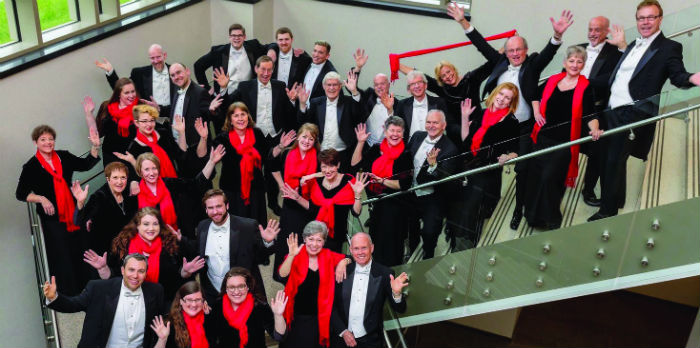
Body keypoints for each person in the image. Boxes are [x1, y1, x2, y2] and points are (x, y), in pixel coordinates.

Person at [589, 0, 700, 221]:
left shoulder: (669, 47)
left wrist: (691, 78)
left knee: (613, 160)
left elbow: (677, 75)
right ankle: (616, 199)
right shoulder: (632, 45)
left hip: (633, 111)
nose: (646, 22)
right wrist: (622, 47)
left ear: (660, 19)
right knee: (609, 158)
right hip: (612, 109)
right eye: (641, 18)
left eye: (651, 17)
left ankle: (607, 212)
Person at [467, 7, 574, 230]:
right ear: (505, 52)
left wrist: (557, 36)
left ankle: (518, 210)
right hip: (496, 124)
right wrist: (462, 21)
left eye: (519, 49)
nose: (515, 53)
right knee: (487, 163)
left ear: (525, 50)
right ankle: (486, 204)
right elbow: (481, 45)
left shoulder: (532, 66)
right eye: (511, 50)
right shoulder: (498, 63)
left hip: (523, 127)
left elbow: (548, 53)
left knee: (523, 169)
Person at [16, 124, 101, 295]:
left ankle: (90, 289)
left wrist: (95, 146)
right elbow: (20, 194)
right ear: (36, 142)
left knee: (82, 248)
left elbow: (86, 164)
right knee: (62, 255)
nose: (48, 142)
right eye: (43, 139)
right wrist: (41, 198)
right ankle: (69, 294)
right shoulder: (31, 166)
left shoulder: (64, 156)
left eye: (51, 139)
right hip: (52, 219)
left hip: (74, 212)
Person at [526, 46, 602, 230]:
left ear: (583, 65)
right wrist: (536, 112)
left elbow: (590, 114)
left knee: (549, 178)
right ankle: (533, 217)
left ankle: (551, 218)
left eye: (579, 61)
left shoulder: (586, 86)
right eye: (571, 60)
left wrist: (595, 129)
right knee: (537, 178)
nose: (575, 64)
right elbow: (535, 95)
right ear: (564, 62)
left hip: (564, 142)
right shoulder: (553, 80)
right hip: (541, 137)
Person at [211, 56, 298, 214]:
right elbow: (230, 106)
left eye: (269, 70)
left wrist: (292, 101)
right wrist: (223, 89)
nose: (266, 73)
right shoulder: (245, 86)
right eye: (262, 69)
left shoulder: (280, 86)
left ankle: (272, 202)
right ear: (256, 69)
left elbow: (288, 113)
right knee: (252, 170)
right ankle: (250, 200)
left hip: (274, 135)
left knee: (273, 168)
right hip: (252, 135)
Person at [83, 207, 204, 302]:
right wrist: (103, 268)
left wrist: (185, 272)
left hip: (163, 301)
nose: (151, 228)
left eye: (155, 224)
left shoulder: (170, 245)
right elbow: (112, 278)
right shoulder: (123, 246)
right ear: (137, 226)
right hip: (130, 301)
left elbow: (177, 279)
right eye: (146, 224)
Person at [43, 253, 165, 348]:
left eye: (141, 271)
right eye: (131, 270)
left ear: (145, 273)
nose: (135, 276)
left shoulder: (155, 291)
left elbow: (157, 324)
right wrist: (53, 297)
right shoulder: (98, 289)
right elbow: (73, 305)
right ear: (123, 270)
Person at [453, 83, 520, 250]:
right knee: (461, 204)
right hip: (470, 164)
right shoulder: (483, 113)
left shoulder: (511, 122)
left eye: (507, 98)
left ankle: (464, 246)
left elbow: (517, 151)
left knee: (472, 207)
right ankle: (458, 237)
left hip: (487, 170)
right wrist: (464, 116)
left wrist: (507, 156)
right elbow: (466, 140)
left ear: (511, 103)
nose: (502, 99)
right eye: (501, 94)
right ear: (495, 93)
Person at [195, 189, 280, 305]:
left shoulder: (247, 226)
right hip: (213, 295)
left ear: (227, 205)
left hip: (243, 293)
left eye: (219, 206)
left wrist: (266, 242)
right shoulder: (202, 226)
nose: (215, 212)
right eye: (210, 208)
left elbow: (260, 257)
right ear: (206, 209)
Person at [350, 117, 413, 266]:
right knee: (376, 243)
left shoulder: (406, 154)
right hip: (376, 205)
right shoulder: (376, 149)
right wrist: (360, 143)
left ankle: (391, 276)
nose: (395, 134)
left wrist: (382, 181)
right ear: (385, 131)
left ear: (403, 134)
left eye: (398, 131)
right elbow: (355, 165)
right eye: (392, 130)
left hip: (396, 205)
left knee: (392, 247)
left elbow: (404, 185)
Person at [278, 221, 351, 348]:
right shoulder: (295, 255)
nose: (314, 244)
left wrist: (343, 262)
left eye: (319, 240)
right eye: (311, 239)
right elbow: (282, 274)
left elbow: (351, 257)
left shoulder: (328, 255)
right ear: (305, 239)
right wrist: (291, 256)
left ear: (324, 242)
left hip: (320, 318)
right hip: (297, 318)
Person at [281, 149, 370, 253]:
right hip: (315, 235)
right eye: (324, 166)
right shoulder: (316, 182)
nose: (327, 171)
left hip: (336, 236)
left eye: (332, 166)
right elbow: (312, 208)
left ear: (338, 165)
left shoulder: (348, 182)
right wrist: (298, 198)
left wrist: (358, 195)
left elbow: (356, 212)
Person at [330, 233, 408, 348]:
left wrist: (396, 294)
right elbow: (331, 305)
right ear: (351, 250)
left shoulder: (385, 273)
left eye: (364, 248)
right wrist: (343, 331)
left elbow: (401, 309)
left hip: (371, 341)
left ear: (372, 248)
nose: (360, 252)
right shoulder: (341, 270)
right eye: (356, 248)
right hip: (341, 340)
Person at [577, 16, 623, 207]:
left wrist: (582, 82)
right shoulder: (578, 48)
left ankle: (588, 190)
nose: (593, 34)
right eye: (591, 29)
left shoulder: (614, 52)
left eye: (598, 30)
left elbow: (612, 78)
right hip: (572, 109)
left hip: (596, 109)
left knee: (596, 152)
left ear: (606, 32)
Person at [130, 148, 222, 238]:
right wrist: (132, 183)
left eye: (154, 168)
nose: (151, 173)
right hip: (152, 243)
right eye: (146, 169)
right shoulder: (135, 192)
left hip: (178, 237)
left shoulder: (170, 183)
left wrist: (211, 162)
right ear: (140, 172)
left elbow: (195, 184)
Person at [268, 123, 320, 282]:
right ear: (298, 137)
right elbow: (271, 164)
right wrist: (280, 184)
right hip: (289, 206)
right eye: (304, 137)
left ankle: (301, 275)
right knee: (287, 240)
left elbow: (324, 175)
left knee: (305, 241)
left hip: (307, 206)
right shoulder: (287, 153)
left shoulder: (318, 158)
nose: (307, 141)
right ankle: (284, 275)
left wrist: (310, 178)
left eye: (311, 139)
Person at [406, 110, 459, 259]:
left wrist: (433, 165)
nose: (431, 125)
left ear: (443, 125)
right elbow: (406, 158)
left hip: (433, 198)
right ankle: (412, 250)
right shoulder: (417, 136)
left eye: (435, 122)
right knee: (411, 226)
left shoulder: (450, 149)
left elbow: (441, 177)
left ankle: (427, 256)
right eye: (428, 122)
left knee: (430, 232)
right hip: (411, 193)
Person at [212, 102, 271, 224]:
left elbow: (268, 157)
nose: (240, 119)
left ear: (248, 117)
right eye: (236, 115)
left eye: (243, 114)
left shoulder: (257, 134)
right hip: (232, 191)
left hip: (255, 189)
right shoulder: (222, 138)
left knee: (257, 224)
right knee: (237, 225)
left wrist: (280, 147)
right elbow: (208, 156)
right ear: (230, 120)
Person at [118, 105, 208, 180]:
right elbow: (139, 177)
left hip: (177, 180)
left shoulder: (163, 133)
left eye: (152, 120)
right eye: (144, 121)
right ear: (136, 123)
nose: (149, 124)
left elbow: (181, 154)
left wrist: (181, 132)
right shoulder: (134, 148)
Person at [298, 71, 363, 172]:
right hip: (320, 153)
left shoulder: (348, 102)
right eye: (329, 85)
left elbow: (359, 115)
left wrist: (354, 92)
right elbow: (305, 125)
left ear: (340, 86)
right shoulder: (316, 102)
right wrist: (302, 104)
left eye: (335, 85)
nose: (331, 88)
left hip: (343, 154)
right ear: (323, 86)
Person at [207, 267, 288, 348]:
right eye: (231, 287)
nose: (236, 291)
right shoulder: (217, 307)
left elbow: (279, 337)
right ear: (226, 289)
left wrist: (278, 315)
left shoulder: (260, 306)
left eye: (241, 286)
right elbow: (210, 339)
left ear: (248, 287)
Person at [71, 162, 138, 257]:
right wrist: (80, 203)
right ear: (108, 179)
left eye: (123, 177)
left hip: (130, 247)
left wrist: (134, 181)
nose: (119, 182)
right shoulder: (99, 197)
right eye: (115, 178)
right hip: (107, 252)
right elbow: (78, 221)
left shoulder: (129, 193)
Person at [95, 44, 176, 118]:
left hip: (175, 117)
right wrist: (111, 72)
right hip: (150, 121)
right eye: (152, 58)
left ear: (164, 55)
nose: (156, 61)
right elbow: (122, 89)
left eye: (158, 57)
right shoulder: (139, 74)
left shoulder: (176, 71)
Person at [194, 23, 270, 95]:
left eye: (240, 35)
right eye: (233, 35)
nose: (236, 38)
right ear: (229, 37)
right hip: (226, 96)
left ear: (244, 37)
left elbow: (270, 46)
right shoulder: (218, 52)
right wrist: (207, 88)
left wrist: (272, 51)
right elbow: (198, 66)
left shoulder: (253, 46)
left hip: (249, 94)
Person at [149, 281, 215, 348]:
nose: (194, 304)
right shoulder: (168, 324)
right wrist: (162, 339)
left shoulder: (209, 320)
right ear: (180, 301)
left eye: (198, 300)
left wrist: (208, 315)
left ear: (203, 301)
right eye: (189, 300)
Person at [89, 78, 139, 167]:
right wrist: (89, 114)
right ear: (118, 94)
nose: (131, 95)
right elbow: (98, 133)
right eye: (127, 93)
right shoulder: (106, 106)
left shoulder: (139, 109)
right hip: (110, 157)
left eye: (133, 91)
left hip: (132, 157)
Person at [390, 70, 449, 140]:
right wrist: (389, 109)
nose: (417, 86)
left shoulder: (439, 103)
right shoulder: (402, 104)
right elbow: (395, 127)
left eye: (419, 82)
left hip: (433, 146)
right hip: (409, 147)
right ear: (409, 90)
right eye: (413, 84)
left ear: (426, 85)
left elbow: (448, 126)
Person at [169, 63, 213, 150]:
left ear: (187, 71)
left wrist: (212, 110)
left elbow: (209, 116)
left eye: (178, 72)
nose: (176, 77)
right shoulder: (176, 89)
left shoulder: (200, 92)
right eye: (173, 75)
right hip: (178, 145)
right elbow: (177, 110)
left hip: (195, 146)